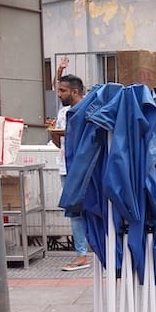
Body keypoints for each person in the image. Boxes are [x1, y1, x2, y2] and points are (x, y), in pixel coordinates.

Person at [53, 58, 90, 271]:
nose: (59, 94)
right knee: (74, 210)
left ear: (75, 92)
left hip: (80, 166)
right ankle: (81, 253)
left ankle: (85, 253)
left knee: (84, 209)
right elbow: (58, 137)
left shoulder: (85, 109)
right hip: (65, 165)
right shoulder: (63, 111)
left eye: (63, 91)